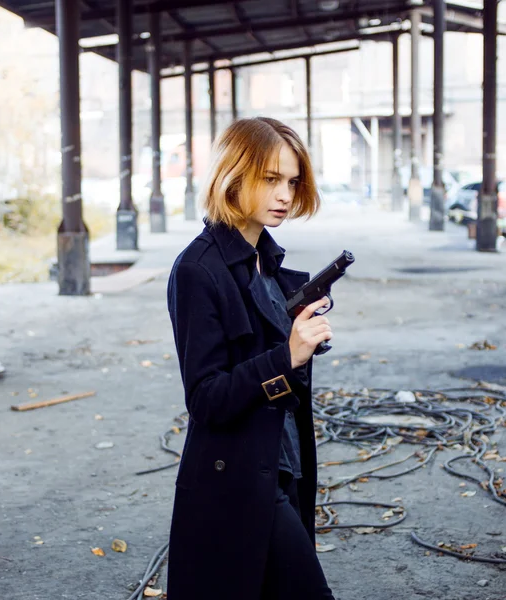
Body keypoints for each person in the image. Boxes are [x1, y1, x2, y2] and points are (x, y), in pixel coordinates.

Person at [166, 116, 336, 600]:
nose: (284, 194)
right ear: (234, 174)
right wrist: (288, 355)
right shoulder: (197, 270)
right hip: (235, 474)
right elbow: (205, 399)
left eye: (291, 181)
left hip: (283, 460)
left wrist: (300, 333)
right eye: (270, 179)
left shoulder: (265, 258)